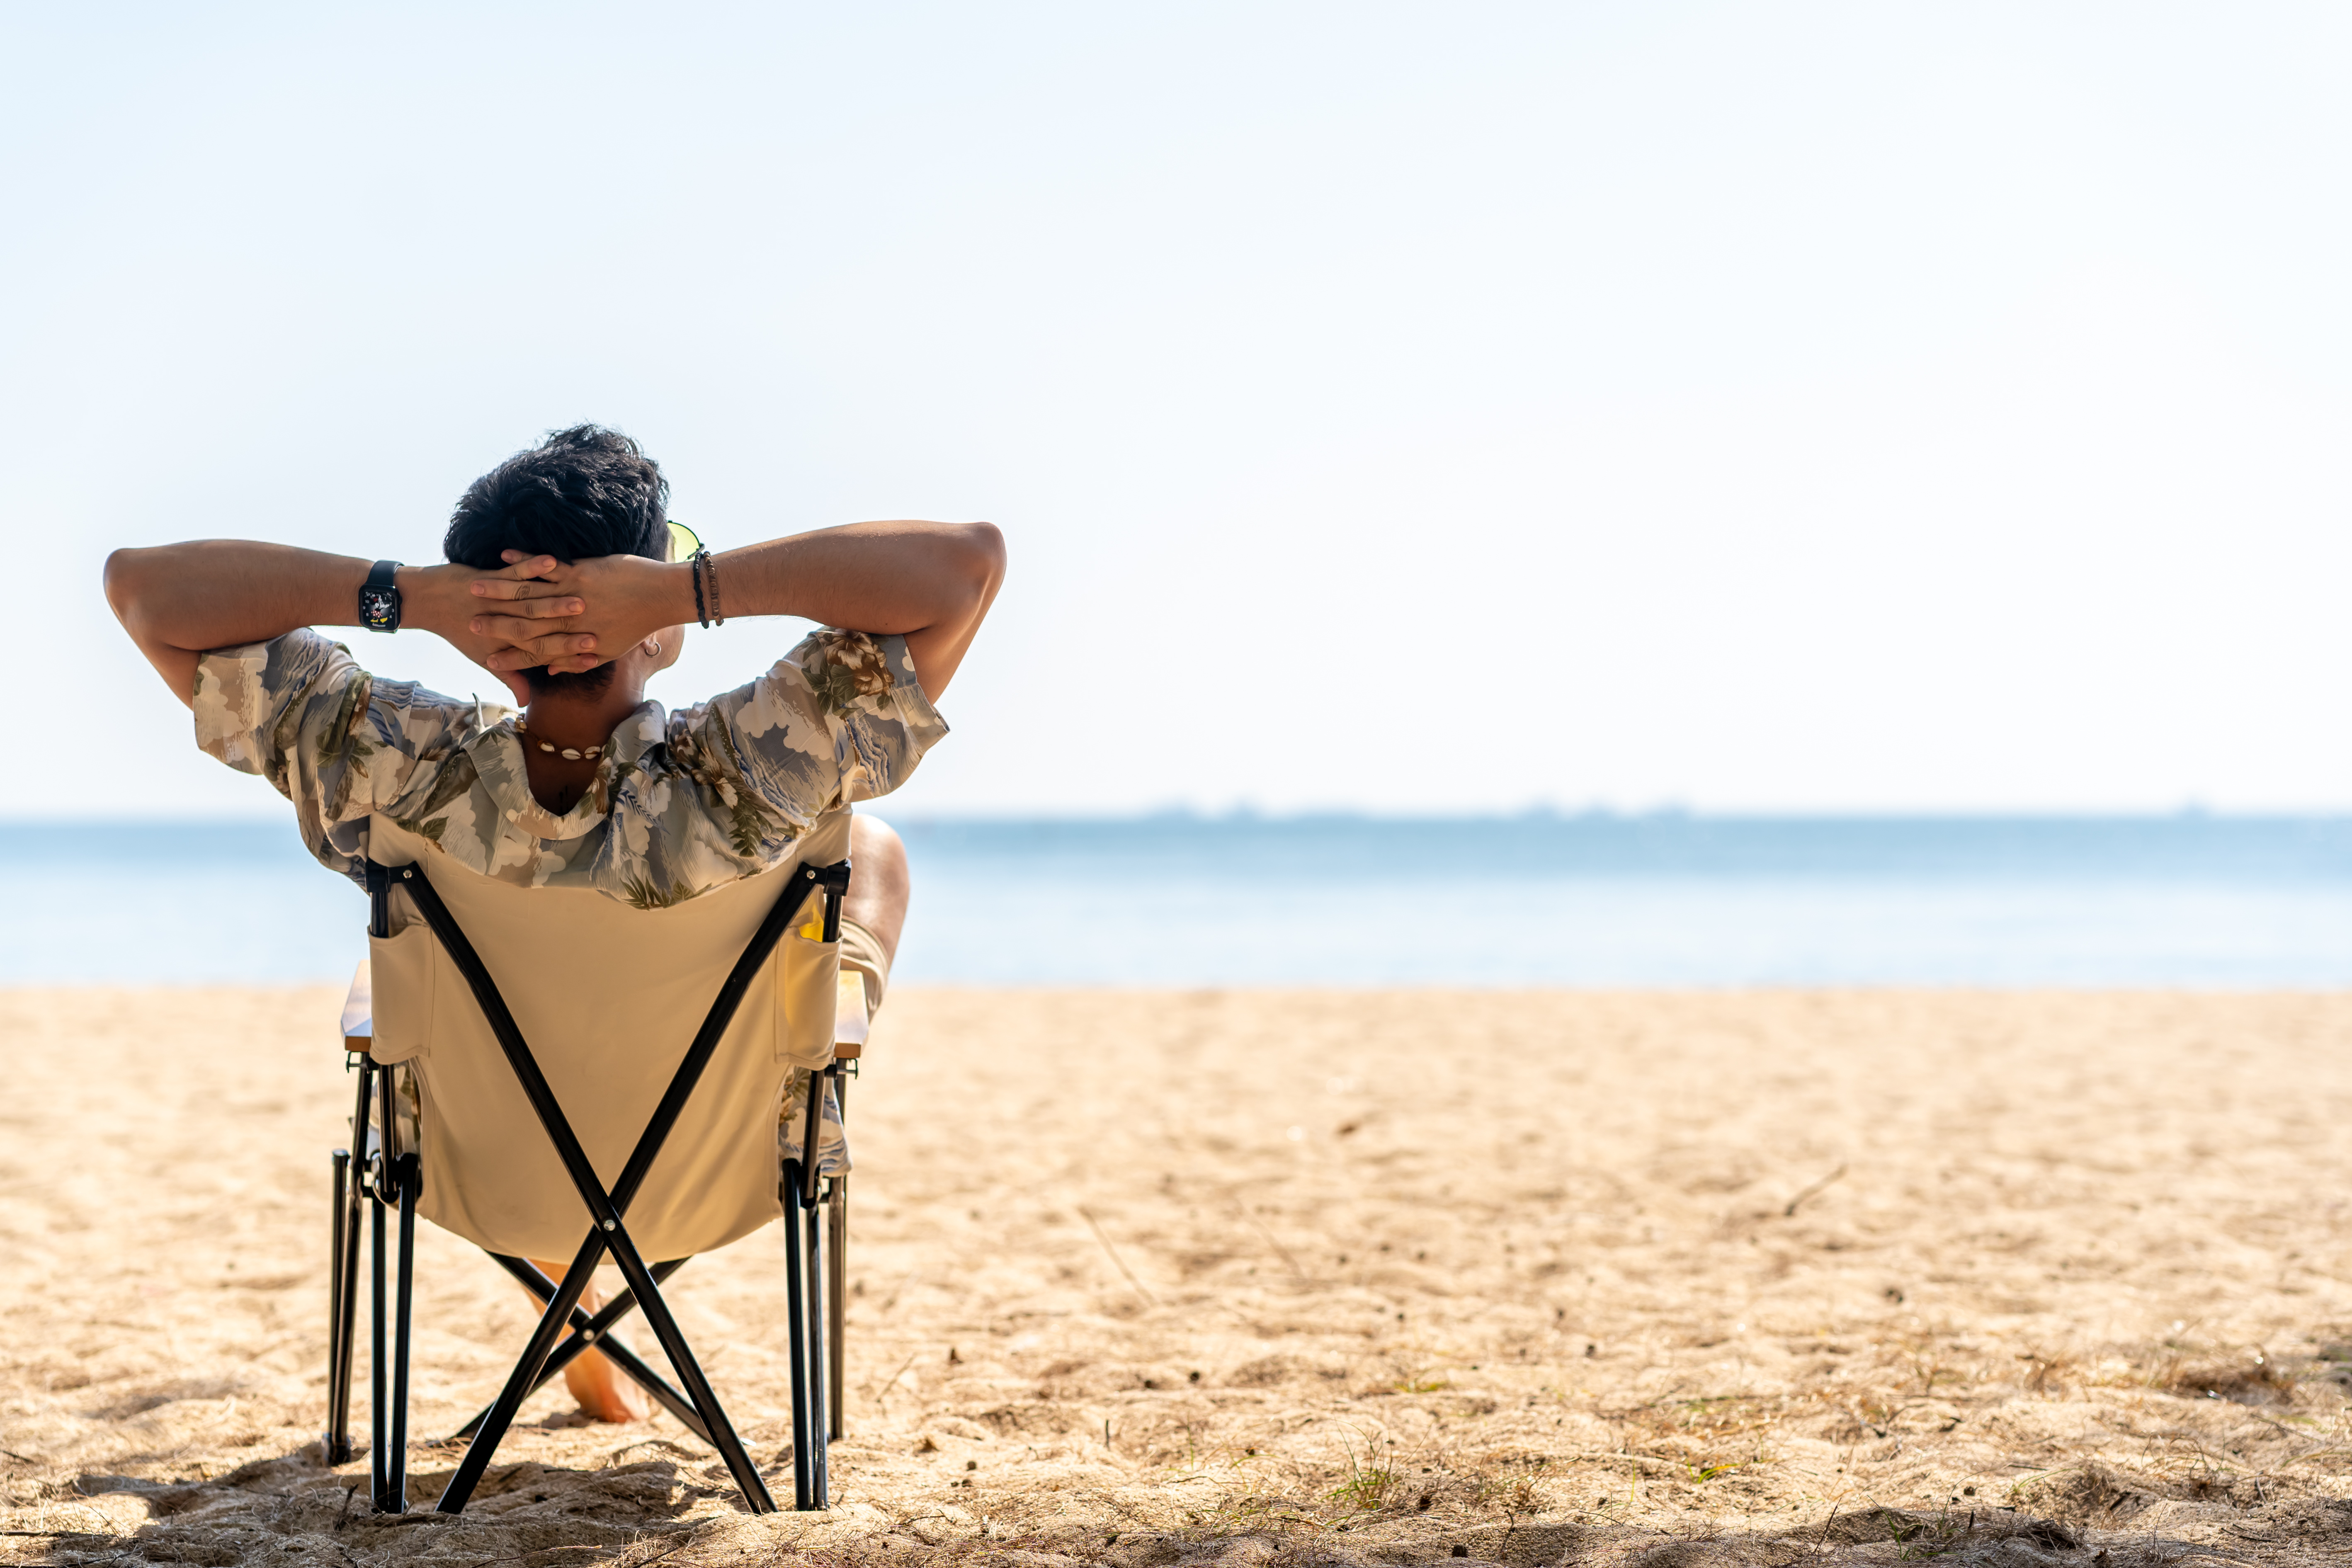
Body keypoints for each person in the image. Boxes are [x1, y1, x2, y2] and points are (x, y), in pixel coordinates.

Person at [104, 425, 1004, 1422]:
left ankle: (568, 1291)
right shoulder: (761, 762)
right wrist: (680, 593)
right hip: (727, 1171)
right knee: (866, 846)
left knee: (476, 1005)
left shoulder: (392, 761)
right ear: (645, 611)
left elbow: (141, 590)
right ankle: (824, 1033)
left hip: (481, 1176)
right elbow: (967, 564)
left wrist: (406, 597)